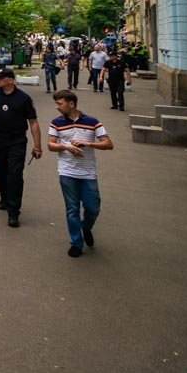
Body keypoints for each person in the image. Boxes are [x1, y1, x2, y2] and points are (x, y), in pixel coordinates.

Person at [46, 90, 113, 257]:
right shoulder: (56, 123)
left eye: (60, 104)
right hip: (67, 172)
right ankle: (76, 242)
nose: (57, 107)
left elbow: (108, 144)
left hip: (88, 173)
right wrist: (66, 146)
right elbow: (50, 145)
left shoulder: (92, 122)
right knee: (72, 209)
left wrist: (87, 143)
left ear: (71, 103)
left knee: (93, 208)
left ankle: (86, 227)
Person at [0, 68, 42, 228]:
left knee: (15, 174)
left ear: (11, 80)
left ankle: (13, 211)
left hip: (16, 141)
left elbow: (33, 122)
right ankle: (4, 196)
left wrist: (37, 146)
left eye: (1, 78)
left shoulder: (23, 98)